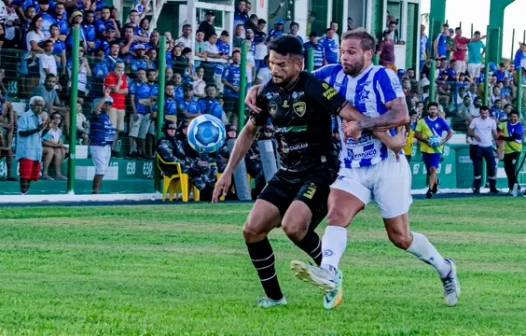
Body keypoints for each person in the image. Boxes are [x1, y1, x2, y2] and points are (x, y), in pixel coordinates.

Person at [246, 29, 460, 310]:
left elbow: (401, 115)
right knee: (337, 215)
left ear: (368, 54)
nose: (344, 57)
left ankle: (445, 268)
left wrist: (362, 124)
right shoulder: (331, 74)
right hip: (351, 166)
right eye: (342, 51)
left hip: (387, 166)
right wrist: (258, 89)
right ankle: (330, 274)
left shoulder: (383, 76)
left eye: (351, 52)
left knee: (400, 237)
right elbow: (293, 75)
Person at [215, 35, 403, 308]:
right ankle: (275, 297)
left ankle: (330, 274)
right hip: (287, 171)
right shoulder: (267, 92)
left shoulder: (315, 87)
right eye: (271, 63)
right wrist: (228, 171)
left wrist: (389, 140)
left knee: (293, 227)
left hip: (320, 170)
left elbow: (352, 113)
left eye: (281, 64)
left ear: (298, 64)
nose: (275, 70)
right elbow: (250, 130)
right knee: (252, 230)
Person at [414, 102, 453, 199]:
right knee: (429, 171)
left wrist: (444, 140)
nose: (432, 111)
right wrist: (426, 140)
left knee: (433, 169)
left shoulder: (441, 121)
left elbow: (450, 132)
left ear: (437, 110)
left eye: (434, 109)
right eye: (431, 109)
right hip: (425, 148)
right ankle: (435, 182)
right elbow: (417, 134)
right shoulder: (422, 121)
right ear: (427, 111)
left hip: (437, 149)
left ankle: (430, 190)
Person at [16, 96, 47, 195]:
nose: (39, 108)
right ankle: (22, 193)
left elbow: (40, 133)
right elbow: (21, 133)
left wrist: (46, 127)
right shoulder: (25, 116)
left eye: (41, 105)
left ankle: (25, 193)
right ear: (31, 105)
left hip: (36, 150)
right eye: (37, 105)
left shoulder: (39, 117)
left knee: (31, 175)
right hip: (26, 149)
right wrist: (37, 129)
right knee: (25, 174)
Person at [89, 89, 116, 194]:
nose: (108, 106)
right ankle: (95, 192)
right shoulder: (97, 116)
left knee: (103, 170)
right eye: (106, 104)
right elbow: (95, 111)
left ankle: (97, 191)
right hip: (98, 146)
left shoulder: (106, 117)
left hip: (106, 146)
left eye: (110, 104)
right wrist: (104, 97)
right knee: (100, 170)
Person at [468, 106, 499, 194]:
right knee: (477, 168)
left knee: (492, 166)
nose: (484, 115)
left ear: (488, 113)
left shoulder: (492, 121)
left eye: (486, 113)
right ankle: (477, 187)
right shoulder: (475, 121)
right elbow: (469, 131)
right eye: (482, 113)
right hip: (477, 146)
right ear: (480, 113)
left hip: (488, 146)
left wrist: (498, 147)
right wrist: (474, 135)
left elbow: (495, 134)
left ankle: (492, 187)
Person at [498, 110, 523, 195]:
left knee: (512, 168)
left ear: (518, 117)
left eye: (515, 117)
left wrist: (502, 137)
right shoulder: (505, 124)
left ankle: (513, 188)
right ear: (509, 117)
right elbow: (497, 129)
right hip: (507, 151)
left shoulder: (519, 126)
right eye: (511, 116)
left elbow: (512, 138)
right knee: (507, 169)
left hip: (516, 150)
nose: (513, 118)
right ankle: (515, 187)